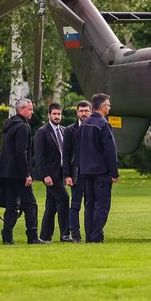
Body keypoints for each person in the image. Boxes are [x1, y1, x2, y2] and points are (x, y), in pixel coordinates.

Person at [0, 98, 45, 245]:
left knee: (11, 205)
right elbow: (21, 152)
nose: (32, 112)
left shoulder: (11, 124)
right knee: (30, 204)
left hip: (7, 173)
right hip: (18, 173)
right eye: (29, 109)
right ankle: (32, 236)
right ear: (21, 110)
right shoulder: (22, 127)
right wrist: (27, 174)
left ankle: (7, 236)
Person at [77, 93, 119, 243]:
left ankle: (89, 236)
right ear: (102, 107)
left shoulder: (84, 124)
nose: (109, 107)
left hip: (86, 171)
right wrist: (114, 172)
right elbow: (110, 150)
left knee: (89, 205)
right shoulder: (104, 124)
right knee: (102, 205)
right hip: (101, 171)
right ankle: (96, 236)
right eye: (108, 104)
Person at [36, 103, 70, 242]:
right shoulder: (42, 132)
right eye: (54, 114)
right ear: (49, 115)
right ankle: (65, 234)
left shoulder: (63, 130)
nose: (57, 116)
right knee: (64, 198)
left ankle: (45, 236)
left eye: (59, 114)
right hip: (50, 175)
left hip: (60, 173)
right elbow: (39, 156)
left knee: (51, 205)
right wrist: (45, 175)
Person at [62, 100, 91, 242]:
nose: (83, 113)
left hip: (91, 172)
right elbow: (66, 154)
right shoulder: (69, 130)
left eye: (86, 110)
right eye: (81, 111)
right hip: (76, 173)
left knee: (90, 205)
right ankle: (75, 235)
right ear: (77, 112)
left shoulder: (94, 127)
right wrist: (67, 175)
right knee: (75, 205)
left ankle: (91, 234)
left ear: (91, 111)